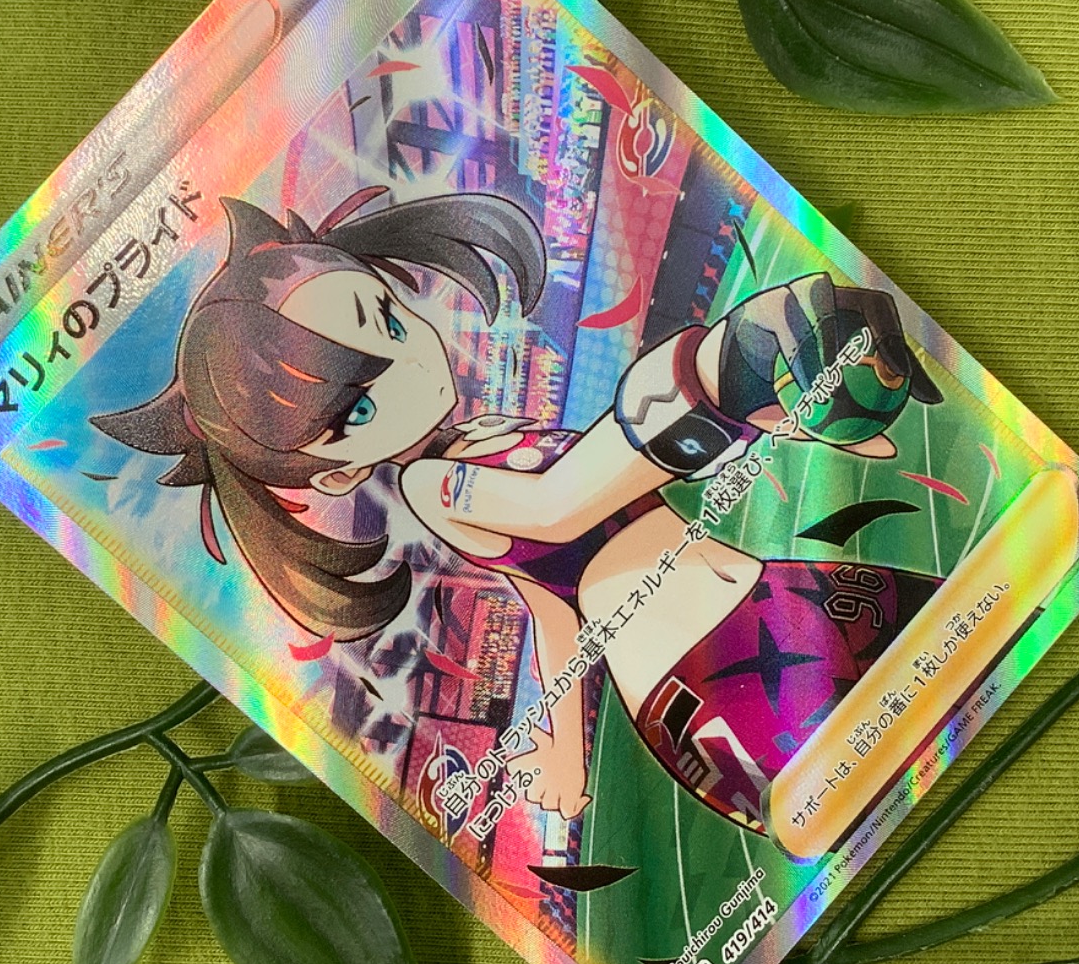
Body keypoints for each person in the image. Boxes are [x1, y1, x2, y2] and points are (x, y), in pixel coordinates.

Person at [92, 186, 944, 834]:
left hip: (778, 594)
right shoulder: (434, 487)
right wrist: (716, 379)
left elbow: (551, 602)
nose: (408, 362)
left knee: (972, 646)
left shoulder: (490, 431)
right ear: (336, 475)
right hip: (717, 676)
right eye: (356, 407)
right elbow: (558, 507)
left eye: (386, 315)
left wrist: (564, 751)